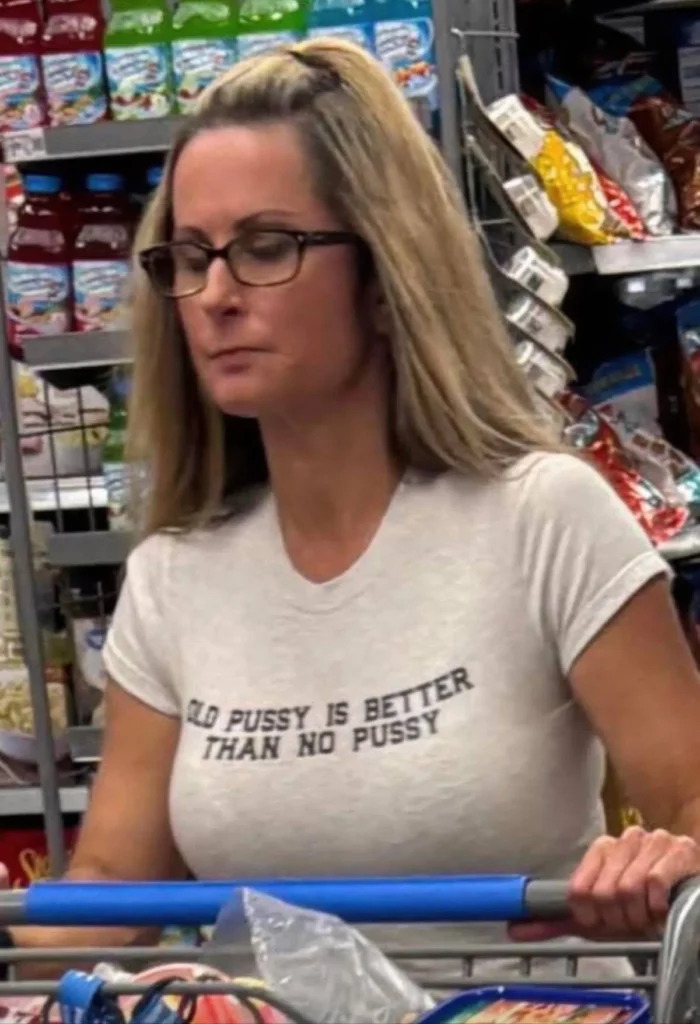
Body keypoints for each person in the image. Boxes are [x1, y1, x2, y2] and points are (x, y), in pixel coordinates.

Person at [8, 38, 700, 978]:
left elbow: (690, 804)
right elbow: (112, 887)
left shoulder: (544, 517)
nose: (214, 296)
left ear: (385, 272)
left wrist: (657, 867)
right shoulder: (175, 574)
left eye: (265, 249)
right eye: (189, 256)